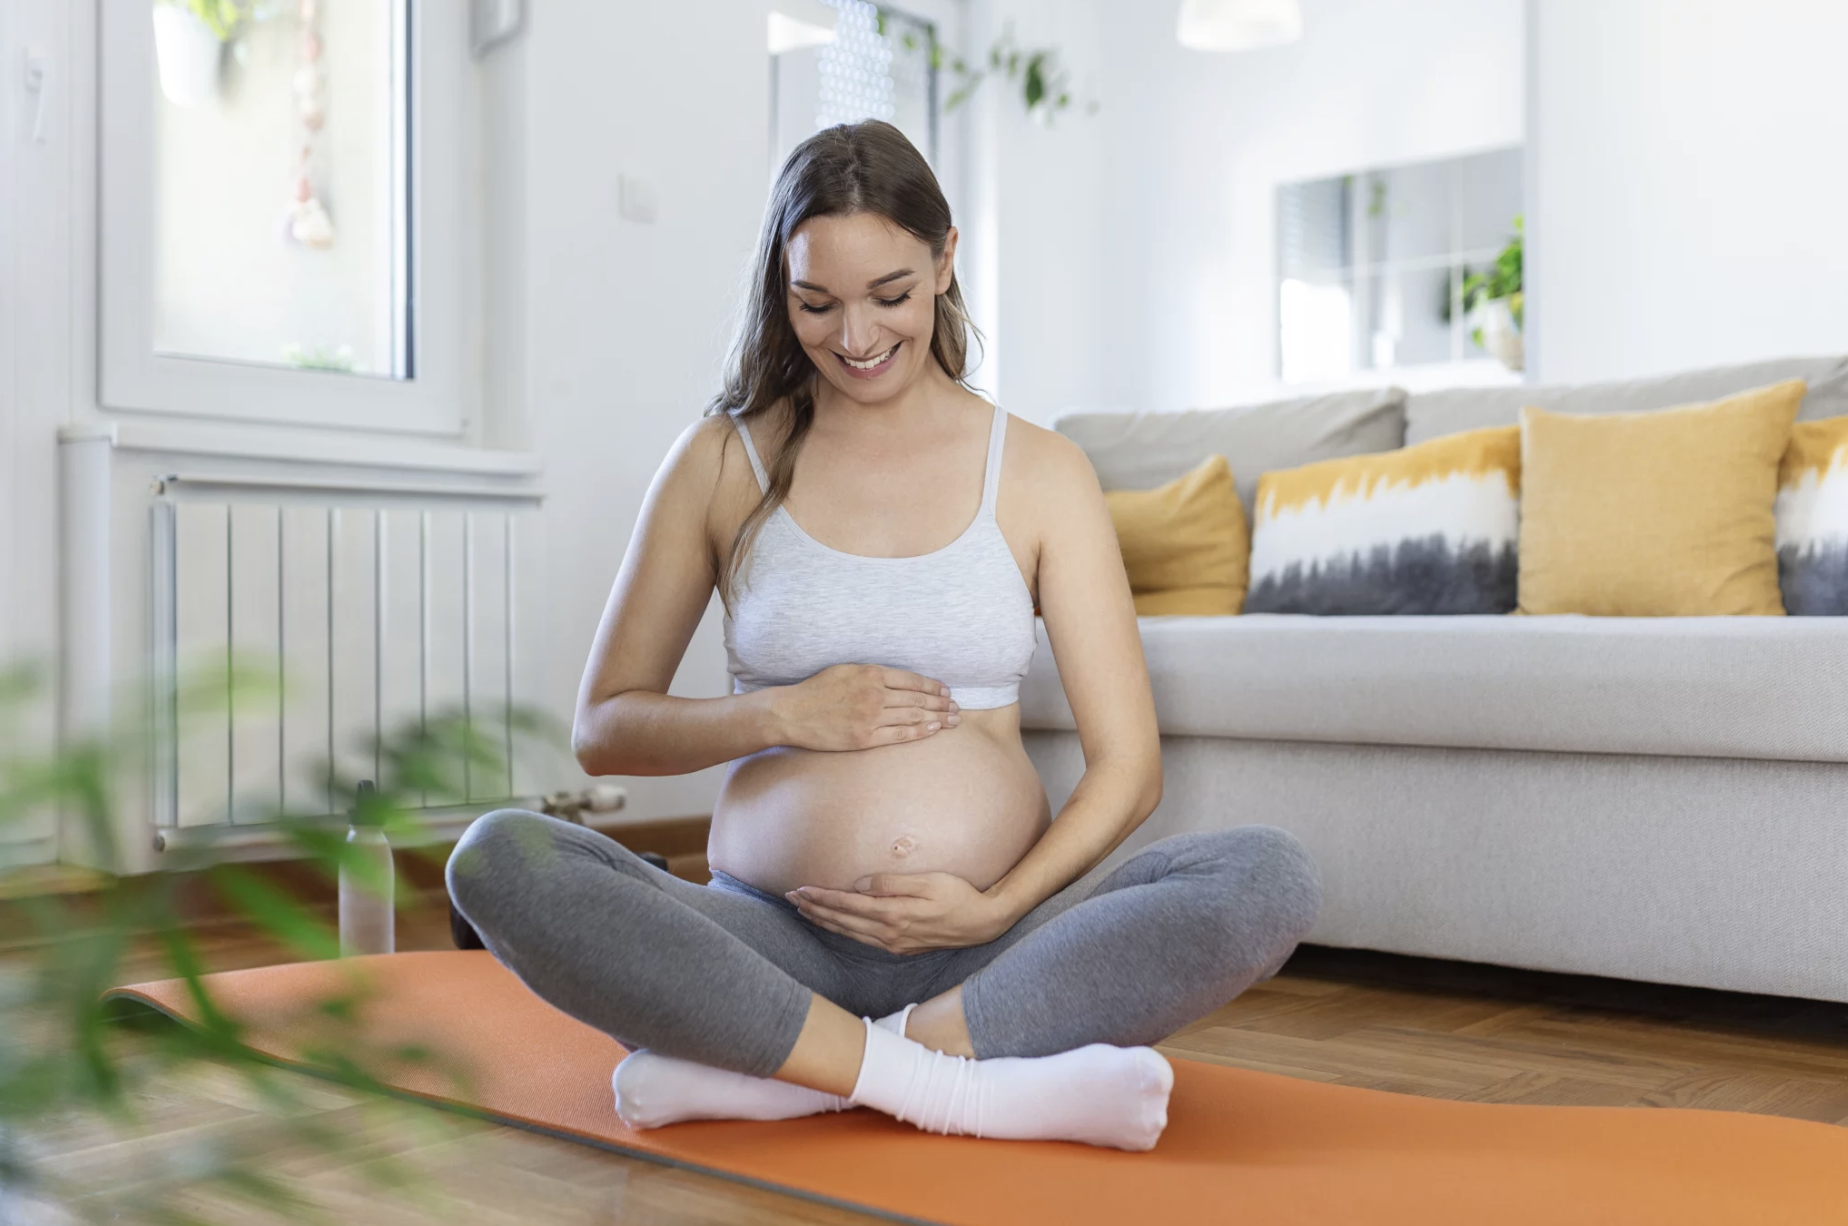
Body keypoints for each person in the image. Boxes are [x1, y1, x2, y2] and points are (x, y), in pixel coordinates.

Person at [448, 121, 1321, 1152]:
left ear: (946, 258)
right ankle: (954, 1079)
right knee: (498, 858)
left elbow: (1128, 770)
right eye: (816, 302)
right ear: (781, 282)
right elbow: (605, 728)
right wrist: (781, 710)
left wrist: (994, 907)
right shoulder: (722, 459)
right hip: (767, 939)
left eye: (890, 295)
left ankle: (803, 1069)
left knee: (1268, 874)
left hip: (993, 948)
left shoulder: (1040, 470)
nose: (855, 337)